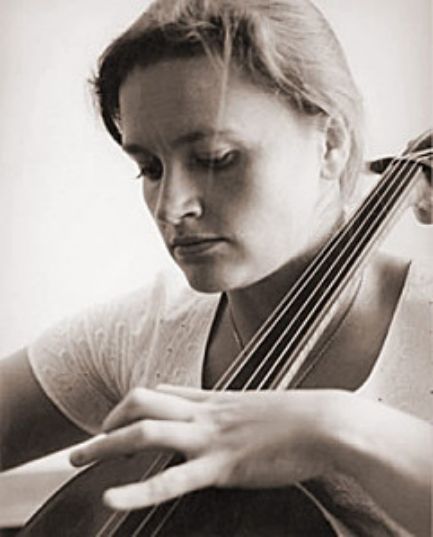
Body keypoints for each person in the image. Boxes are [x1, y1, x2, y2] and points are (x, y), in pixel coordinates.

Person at [0, 0, 431, 535]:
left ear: (331, 145)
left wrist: (335, 426)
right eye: (150, 168)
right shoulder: (145, 332)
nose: (171, 207)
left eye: (214, 159)